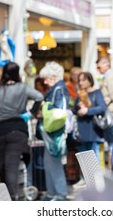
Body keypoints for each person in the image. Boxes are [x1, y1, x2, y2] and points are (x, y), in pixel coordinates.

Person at [0, 62, 44, 200]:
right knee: (12, 166)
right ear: (17, 74)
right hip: (17, 130)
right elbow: (39, 97)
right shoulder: (22, 88)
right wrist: (31, 113)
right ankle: (11, 198)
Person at [39, 61, 70, 201]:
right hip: (52, 130)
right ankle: (52, 192)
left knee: (54, 162)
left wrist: (46, 106)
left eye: (46, 78)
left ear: (53, 76)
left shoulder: (59, 89)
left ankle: (60, 193)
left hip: (55, 131)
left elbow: (59, 111)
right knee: (49, 162)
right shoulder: (58, 89)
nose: (45, 82)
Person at [72, 71, 106, 162]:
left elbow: (102, 108)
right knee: (84, 161)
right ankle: (86, 177)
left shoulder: (97, 93)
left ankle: (95, 177)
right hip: (81, 131)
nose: (80, 83)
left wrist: (87, 111)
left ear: (90, 81)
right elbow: (74, 110)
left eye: (83, 80)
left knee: (94, 159)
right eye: (79, 80)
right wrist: (79, 109)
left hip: (93, 130)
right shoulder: (80, 94)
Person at [96, 57, 113, 167]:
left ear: (107, 65)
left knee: (112, 143)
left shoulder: (111, 76)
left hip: (111, 113)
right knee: (111, 143)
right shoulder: (107, 76)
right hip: (110, 112)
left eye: (99, 67)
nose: (98, 69)